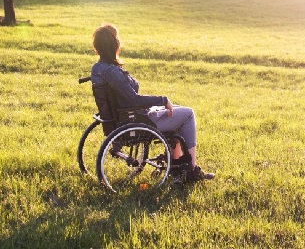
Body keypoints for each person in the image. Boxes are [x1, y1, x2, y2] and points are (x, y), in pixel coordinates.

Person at [90, 23, 214, 181]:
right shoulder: (112, 71)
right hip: (134, 119)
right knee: (188, 114)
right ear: (114, 44)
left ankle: (175, 167)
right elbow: (134, 99)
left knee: (176, 111)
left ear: (98, 46)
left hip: (125, 116)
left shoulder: (97, 68)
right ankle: (191, 170)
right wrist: (162, 100)